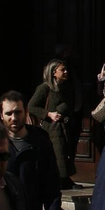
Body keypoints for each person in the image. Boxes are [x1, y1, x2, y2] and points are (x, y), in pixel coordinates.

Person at [0, 92, 62, 210]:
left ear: (26, 112)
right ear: (1, 115)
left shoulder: (40, 140)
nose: (14, 118)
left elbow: (51, 180)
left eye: (18, 112)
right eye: (9, 113)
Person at [29, 59, 77, 187]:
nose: (66, 72)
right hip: (51, 127)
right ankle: (59, 180)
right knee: (57, 153)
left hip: (63, 126)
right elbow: (31, 107)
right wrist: (49, 114)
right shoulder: (44, 88)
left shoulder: (64, 87)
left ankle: (65, 179)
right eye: (63, 70)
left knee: (65, 152)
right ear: (54, 72)